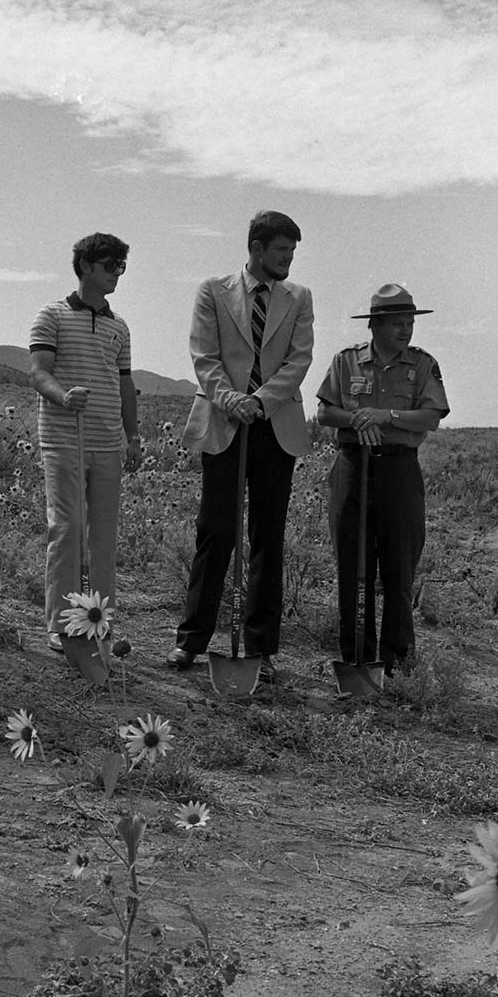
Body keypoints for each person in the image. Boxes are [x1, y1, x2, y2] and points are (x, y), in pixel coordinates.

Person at [167, 210, 314, 685]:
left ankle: (261, 649)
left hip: (275, 424)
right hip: (224, 420)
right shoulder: (213, 290)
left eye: (292, 252)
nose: (288, 260)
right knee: (215, 530)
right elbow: (204, 354)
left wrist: (261, 401)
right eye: (281, 251)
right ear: (256, 248)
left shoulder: (299, 298)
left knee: (268, 536)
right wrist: (231, 399)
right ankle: (192, 640)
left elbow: (299, 360)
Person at [316, 285, 448, 675]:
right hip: (353, 466)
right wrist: (357, 418)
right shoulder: (346, 361)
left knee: (399, 566)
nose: (406, 330)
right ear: (375, 325)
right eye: (397, 323)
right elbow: (325, 412)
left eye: (409, 323)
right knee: (352, 566)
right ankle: (357, 659)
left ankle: (397, 664)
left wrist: (385, 416)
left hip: (399, 470)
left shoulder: (422, 364)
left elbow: (431, 417)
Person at [29, 233, 142, 652]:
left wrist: (133, 436)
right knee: (68, 528)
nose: (117, 274)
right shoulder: (51, 316)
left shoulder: (119, 326)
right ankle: (62, 625)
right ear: (86, 267)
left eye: (121, 266)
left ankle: (97, 620)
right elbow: (39, 372)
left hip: (108, 443)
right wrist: (62, 396)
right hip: (64, 440)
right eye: (110, 266)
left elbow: (125, 384)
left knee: (103, 536)